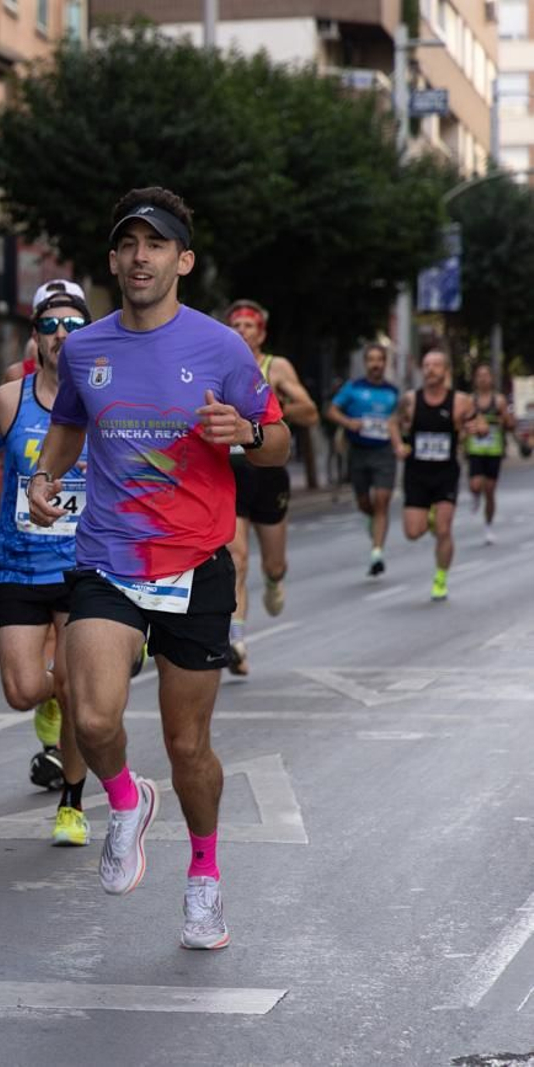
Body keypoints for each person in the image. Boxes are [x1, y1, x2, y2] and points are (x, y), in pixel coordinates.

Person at [27, 188, 288, 951]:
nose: (141, 257)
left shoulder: (221, 348)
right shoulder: (85, 348)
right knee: (93, 713)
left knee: (187, 747)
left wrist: (243, 430)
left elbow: (276, 443)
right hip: (108, 556)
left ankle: (204, 880)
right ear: (113, 259)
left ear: (184, 260)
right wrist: (46, 479)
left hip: (196, 565)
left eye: (156, 244)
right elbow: (70, 424)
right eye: (128, 244)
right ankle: (122, 796)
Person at [0, 278, 98, 847]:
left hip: (82, 565)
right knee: (23, 690)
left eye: (72, 325)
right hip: (18, 564)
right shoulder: (9, 400)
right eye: (49, 325)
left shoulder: (101, 398)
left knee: (73, 688)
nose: (61, 334)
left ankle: (72, 804)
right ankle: (49, 705)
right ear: (35, 337)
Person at [221, 300, 318, 675]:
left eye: (248, 326)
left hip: (269, 471)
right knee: (237, 556)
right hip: (232, 471)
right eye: (236, 325)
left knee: (273, 563)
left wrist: (267, 409)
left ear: (261, 334)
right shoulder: (217, 364)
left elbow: (309, 411)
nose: (242, 331)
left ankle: (275, 581)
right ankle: (237, 641)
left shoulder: (275, 367)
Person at [396, 349, 476, 601]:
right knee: (412, 532)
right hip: (416, 473)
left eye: (436, 365)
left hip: (445, 473)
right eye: (426, 365)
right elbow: (392, 423)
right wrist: (398, 444)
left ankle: (441, 578)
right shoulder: (410, 400)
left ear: (446, 370)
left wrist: (474, 428)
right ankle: (428, 517)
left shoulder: (460, 401)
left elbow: (480, 424)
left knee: (444, 529)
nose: (430, 369)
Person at [326, 344, 402, 576]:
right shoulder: (353, 388)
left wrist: (398, 439)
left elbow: (398, 419)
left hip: (384, 452)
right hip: (358, 451)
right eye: (371, 359)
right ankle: (372, 519)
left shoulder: (393, 392)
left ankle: (377, 553)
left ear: (385, 362)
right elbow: (331, 411)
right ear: (366, 362)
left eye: (380, 359)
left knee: (382, 499)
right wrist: (349, 423)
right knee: (363, 502)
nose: (375, 364)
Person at [465, 361, 512, 544]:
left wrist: (503, 421)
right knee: (475, 484)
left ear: (492, 379)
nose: (483, 379)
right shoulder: (470, 401)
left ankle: (488, 526)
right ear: (475, 380)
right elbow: (463, 422)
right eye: (479, 376)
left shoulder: (499, 400)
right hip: (475, 449)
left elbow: (509, 423)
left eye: (486, 376)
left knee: (490, 491)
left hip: (494, 450)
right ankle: (475, 496)